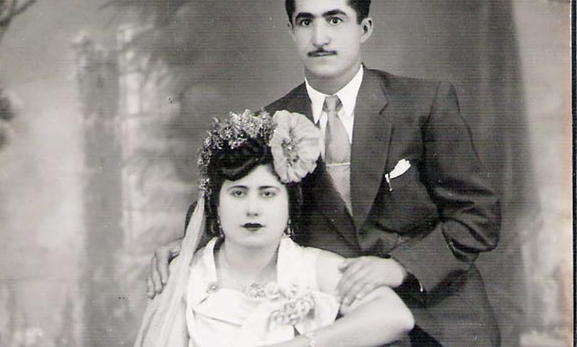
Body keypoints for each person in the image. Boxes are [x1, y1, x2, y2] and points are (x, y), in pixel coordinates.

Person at [148, 0, 501, 347]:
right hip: (339, 320)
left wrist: (399, 268)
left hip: (439, 317)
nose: (319, 38)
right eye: (306, 22)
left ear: (364, 28)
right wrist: (187, 246)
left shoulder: (423, 104)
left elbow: (478, 215)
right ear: (291, 30)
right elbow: (231, 197)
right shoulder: (271, 123)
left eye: (335, 20)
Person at [134, 110, 414, 347]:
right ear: (215, 204)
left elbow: (395, 316)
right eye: (238, 193)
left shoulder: (311, 267)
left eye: (267, 193)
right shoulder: (189, 274)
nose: (252, 209)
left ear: (289, 204)